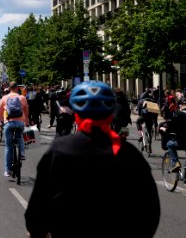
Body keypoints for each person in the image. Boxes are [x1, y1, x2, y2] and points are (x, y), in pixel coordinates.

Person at [25, 81, 160, 238]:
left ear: (76, 113)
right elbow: (150, 210)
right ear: (110, 113)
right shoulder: (129, 153)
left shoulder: (59, 150)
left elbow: (37, 208)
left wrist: (37, 231)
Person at [0, 81, 29, 177]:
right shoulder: (22, 98)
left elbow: (0, 112)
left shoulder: (4, 98)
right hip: (20, 123)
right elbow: (26, 110)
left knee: (8, 146)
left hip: (8, 123)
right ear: (17, 88)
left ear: (9, 88)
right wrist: (27, 121)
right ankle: (22, 154)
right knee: (20, 137)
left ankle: (7, 171)